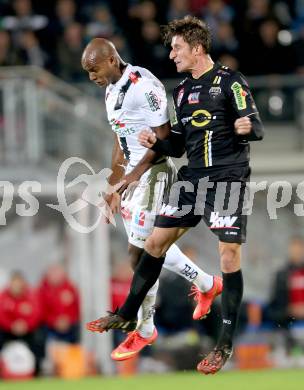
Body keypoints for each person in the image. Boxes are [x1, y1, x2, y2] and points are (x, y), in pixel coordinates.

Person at [89, 16, 264, 374]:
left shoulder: (230, 81)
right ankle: (127, 315)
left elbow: (255, 126)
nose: (171, 55)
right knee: (153, 244)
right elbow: (179, 143)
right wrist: (158, 142)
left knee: (229, 254)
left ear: (197, 48)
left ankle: (224, 345)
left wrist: (245, 127)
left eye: (177, 48)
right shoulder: (182, 91)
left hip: (228, 178)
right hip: (192, 178)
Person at [81, 37, 223, 361]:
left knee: (139, 255)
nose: (91, 76)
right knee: (151, 249)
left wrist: (131, 178)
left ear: (112, 60)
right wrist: (114, 184)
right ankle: (206, 283)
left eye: (94, 69)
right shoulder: (110, 90)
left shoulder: (144, 87)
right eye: (87, 72)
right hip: (133, 179)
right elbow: (120, 139)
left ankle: (145, 330)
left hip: (155, 173)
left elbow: (165, 142)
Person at [38, 263, 80, 343]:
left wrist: (68, 320)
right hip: (50, 327)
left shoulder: (71, 288)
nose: (55, 276)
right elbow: (41, 311)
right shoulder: (41, 290)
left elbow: (76, 308)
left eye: (57, 273)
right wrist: (54, 321)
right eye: (53, 273)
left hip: (70, 326)